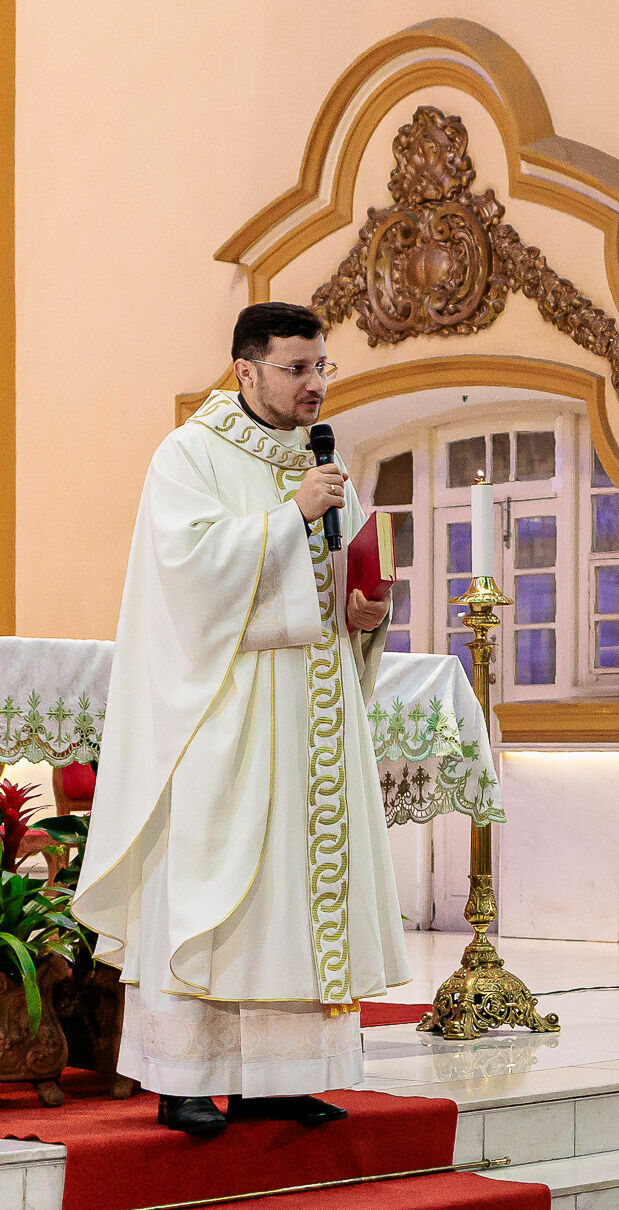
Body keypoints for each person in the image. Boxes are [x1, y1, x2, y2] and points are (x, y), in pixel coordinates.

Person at [74, 302, 409, 1136]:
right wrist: (290, 517)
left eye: (321, 366)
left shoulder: (323, 463)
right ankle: (183, 1078)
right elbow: (185, 576)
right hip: (224, 710)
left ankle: (280, 1078)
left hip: (311, 713)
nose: (314, 384)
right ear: (246, 371)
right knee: (212, 886)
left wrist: (360, 613)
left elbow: (332, 581)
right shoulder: (189, 454)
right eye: (297, 369)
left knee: (292, 894)